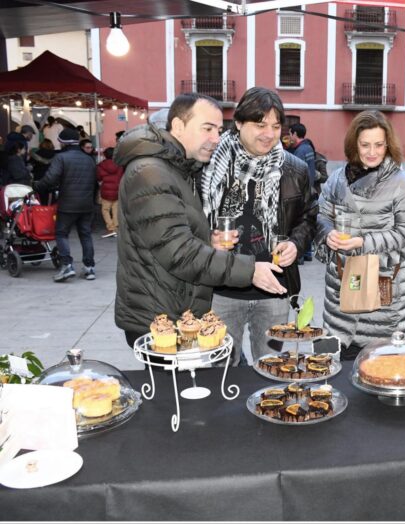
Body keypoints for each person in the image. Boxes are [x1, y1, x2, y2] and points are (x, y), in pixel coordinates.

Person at [113, 93, 262, 349]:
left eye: (218, 130)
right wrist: (251, 271)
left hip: (176, 310)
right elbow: (178, 253)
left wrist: (207, 241)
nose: (216, 138)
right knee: (175, 389)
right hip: (160, 320)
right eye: (207, 128)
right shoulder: (150, 172)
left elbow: (170, 234)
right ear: (178, 126)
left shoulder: (178, 167)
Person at [200, 87, 317, 367]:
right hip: (220, 291)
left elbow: (309, 215)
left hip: (274, 292)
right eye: (260, 124)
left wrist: (295, 243)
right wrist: (208, 237)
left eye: (276, 126)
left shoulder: (295, 169)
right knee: (219, 369)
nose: (269, 133)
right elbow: (187, 220)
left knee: (273, 367)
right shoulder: (209, 165)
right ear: (238, 123)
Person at [314, 110, 405, 361]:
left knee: (380, 369)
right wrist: (328, 233)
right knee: (336, 366)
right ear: (354, 144)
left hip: (383, 297)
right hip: (340, 291)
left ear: (388, 145)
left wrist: (364, 243)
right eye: (365, 145)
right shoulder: (337, 179)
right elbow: (321, 214)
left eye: (378, 145)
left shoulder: (401, 182)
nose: (372, 152)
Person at [34, 127, 98, 282]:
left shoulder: (61, 158)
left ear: (63, 143)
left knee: (61, 233)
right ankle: (89, 268)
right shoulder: (89, 159)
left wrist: (36, 185)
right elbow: (94, 182)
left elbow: (50, 179)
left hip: (68, 203)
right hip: (87, 204)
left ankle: (67, 266)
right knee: (86, 234)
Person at [287, 122, 317, 263]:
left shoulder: (299, 151)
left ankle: (299, 256)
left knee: (299, 221)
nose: (288, 137)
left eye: (290, 133)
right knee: (308, 219)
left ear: (294, 134)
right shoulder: (309, 148)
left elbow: (295, 174)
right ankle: (308, 253)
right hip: (309, 189)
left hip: (300, 191)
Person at [96, 147, 123, 238]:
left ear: (105, 155)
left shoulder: (101, 165)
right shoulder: (120, 165)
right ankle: (116, 227)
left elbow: (99, 178)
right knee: (116, 209)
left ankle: (110, 227)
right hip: (117, 190)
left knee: (105, 209)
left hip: (106, 191)